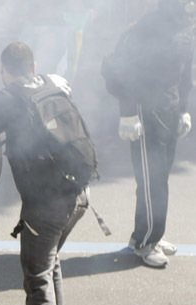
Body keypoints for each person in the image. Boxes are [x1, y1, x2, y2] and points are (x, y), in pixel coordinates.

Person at [0, 42, 89, 305]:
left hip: (46, 205)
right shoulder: (51, 84)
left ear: (3, 68)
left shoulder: (5, 97)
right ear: (34, 64)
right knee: (49, 262)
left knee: (36, 279)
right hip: (80, 196)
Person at [102, 0, 195, 267]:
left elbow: (185, 72)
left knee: (160, 177)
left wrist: (183, 110)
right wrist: (128, 112)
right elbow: (122, 70)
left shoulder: (186, 26)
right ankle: (145, 242)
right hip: (145, 109)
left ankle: (152, 233)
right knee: (151, 179)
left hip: (169, 105)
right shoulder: (147, 27)